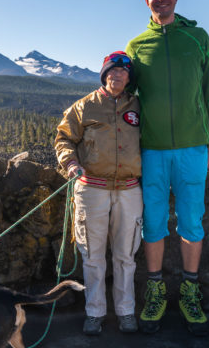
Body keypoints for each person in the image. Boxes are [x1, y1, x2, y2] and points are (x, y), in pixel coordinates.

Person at [125, 0, 209, 336]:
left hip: (194, 148)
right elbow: (123, 96)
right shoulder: (137, 46)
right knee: (152, 224)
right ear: (145, 0)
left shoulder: (198, 37)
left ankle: (190, 293)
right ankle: (155, 292)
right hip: (151, 151)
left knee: (191, 222)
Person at [54, 51, 143, 335]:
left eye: (123, 71)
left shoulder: (139, 106)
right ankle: (94, 313)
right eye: (112, 71)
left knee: (126, 255)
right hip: (91, 188)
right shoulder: (83, 107)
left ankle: (126, 311)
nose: (117, 75)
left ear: (129, 77)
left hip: (129, 190)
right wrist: (70, 162)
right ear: (104, 75)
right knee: (92, 255)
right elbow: (63, 138)